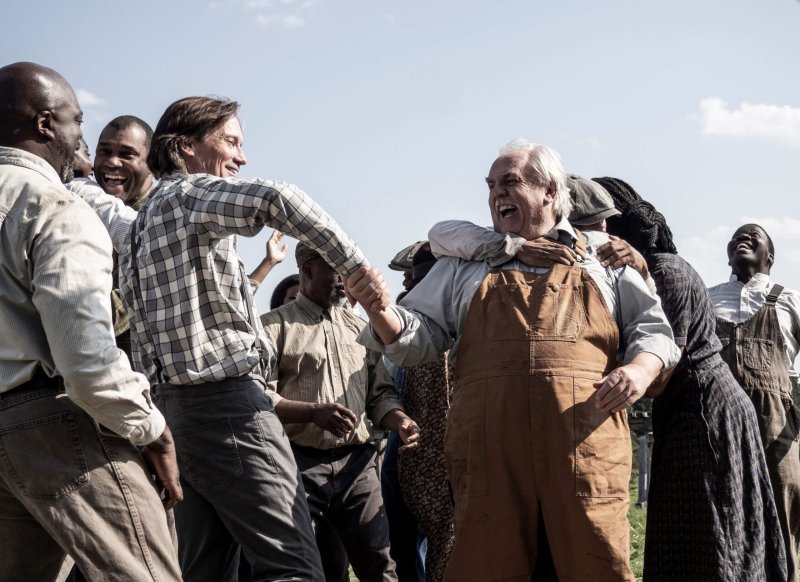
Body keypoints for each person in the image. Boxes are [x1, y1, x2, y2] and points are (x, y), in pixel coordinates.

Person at [72, 94, 384, 582]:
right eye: (232, 142)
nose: (242, 157)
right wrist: (358, 269)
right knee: (292, 566)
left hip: (176, 415)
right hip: (229, 410)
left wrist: (76, 175)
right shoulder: (189, 196)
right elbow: (276, 198)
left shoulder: (139, 226)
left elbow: (99, 203)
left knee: (207, 569)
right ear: (186, 147)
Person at [346, 139, 680, 581]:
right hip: (489, 456)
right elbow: (417, 339)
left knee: (595, 564)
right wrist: (379, 310)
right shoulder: (466, 265)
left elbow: (653, 331)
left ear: (550, 191)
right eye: (490, 185)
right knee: (488, 567)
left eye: (510, 182)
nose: (496, 193)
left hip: (583, 452)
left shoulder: (604, 256)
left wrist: (639, 369)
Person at [0, 61, 182, 581]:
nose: (81, 139)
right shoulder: (54, 206)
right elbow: (85, 363)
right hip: (56, 422)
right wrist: (151, 430)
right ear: (45, 124)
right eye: (77, 121)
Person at [595, 178, 787, 581]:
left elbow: (660, 375)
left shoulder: (666, 274)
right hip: (695, 412)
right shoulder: (658, 271)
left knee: (710, 535)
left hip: (704, 417)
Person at [260, 242, 419, 582]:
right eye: (336, 269)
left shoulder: (360, 327)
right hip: (296, 464)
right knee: (301, 567)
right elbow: (259, 398)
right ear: (307, 270)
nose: (344, 278)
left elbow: (379, 394)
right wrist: (312, 412)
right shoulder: (273, 327)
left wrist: (400, 421)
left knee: (379, 564)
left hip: (357, 465)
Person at [708, 222, 800, 579]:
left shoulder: (790, 299)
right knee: (720, 519)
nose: (742, 239)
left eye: (752, 236)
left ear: (769, 256)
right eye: (736, 238)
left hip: (776, 428)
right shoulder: (705, 298)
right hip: (715, 426)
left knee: (782, 519)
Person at [396, 243, 454, 582]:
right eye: (415, 282)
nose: (418, 288)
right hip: (423, 457)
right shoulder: (408, 321)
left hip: (471, 453)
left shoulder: (471, 311)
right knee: (438, 542)